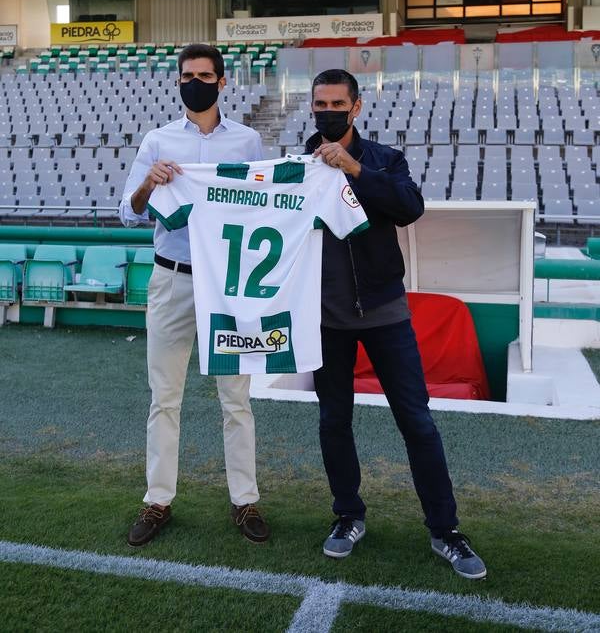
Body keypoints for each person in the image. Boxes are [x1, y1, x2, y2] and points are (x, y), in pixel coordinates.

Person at [305, 69, 486, 580]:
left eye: (336, 103)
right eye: (319, 103)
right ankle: (348, 516)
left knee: (417, 420)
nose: (327, 111)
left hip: (384, 309)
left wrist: (355, 168)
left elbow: (409, 208)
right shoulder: (295, 165)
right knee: (333, 421)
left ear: (356, 108)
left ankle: (445, 529)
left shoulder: (385, 159)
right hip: (324, 316)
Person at [119, 43, 270, 547]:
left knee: (237, 398)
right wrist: (149, 184)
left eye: (204, 75)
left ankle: (245, 501)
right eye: (187, 75)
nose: (195, 81)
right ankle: (157, 499)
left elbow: (265, 206)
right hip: (173, 277)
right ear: (178, 80)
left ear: (222, 82)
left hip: (227, 286)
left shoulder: (247, 142)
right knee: (165, 396)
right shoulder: (158, 141)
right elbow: (130, 211)